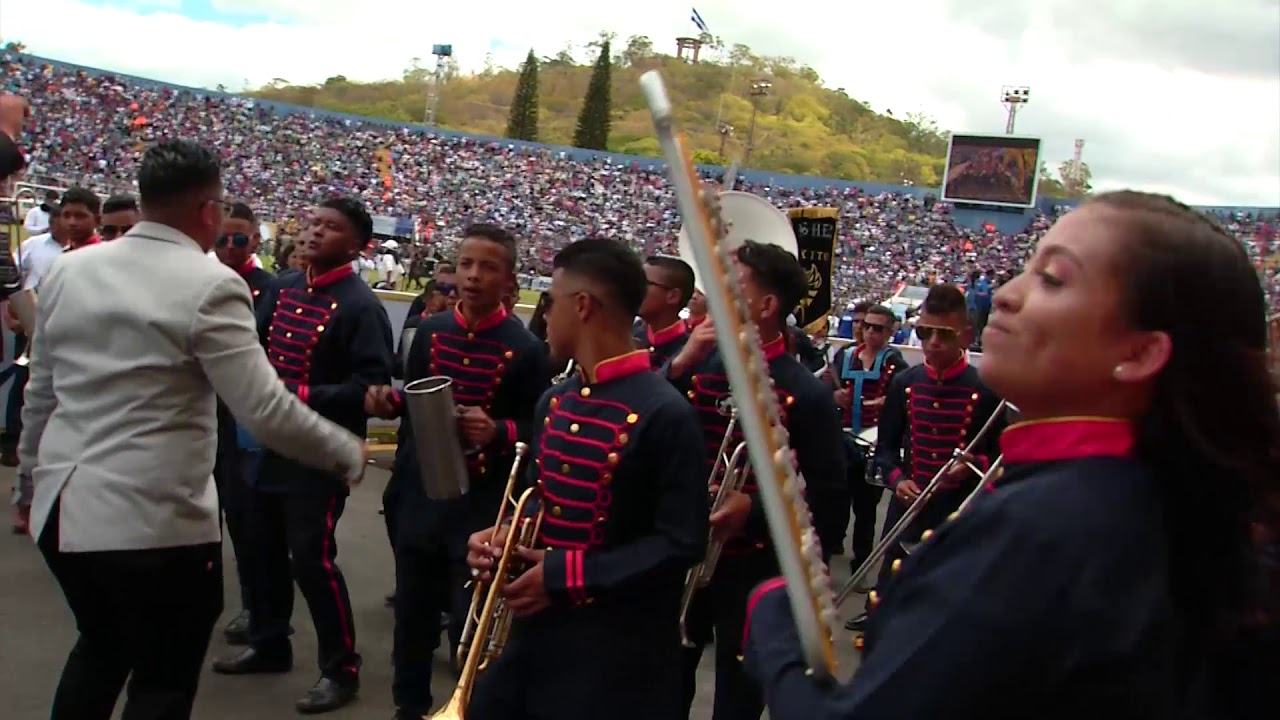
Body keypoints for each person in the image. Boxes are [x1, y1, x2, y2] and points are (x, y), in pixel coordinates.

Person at [741, 191, 1280, 719]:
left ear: (1140, 353)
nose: (1003, 294)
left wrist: (772, 616)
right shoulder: (1163, 496)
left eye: (1053, 279)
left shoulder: (1048, 526)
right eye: (1024, 269)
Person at [16, 139, 368, 720]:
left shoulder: (71, 269)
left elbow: (41, 395)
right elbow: (264, 409)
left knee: (100, 650)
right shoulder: (211, 284)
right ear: (209, 211)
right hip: (152, 525)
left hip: (63, 508)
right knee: (161, 681)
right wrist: (345, 451)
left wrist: (29, 483)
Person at [464, 237, 708, 720]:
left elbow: (684, 542)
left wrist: (566, 574)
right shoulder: (556, 400)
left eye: (550, 302)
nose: (544, 315)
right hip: (536, 632)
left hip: (615, 654)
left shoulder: (665, 411)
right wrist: (506, 536)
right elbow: (539, 501)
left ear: (582, 306)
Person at [212, 197, 393, 714]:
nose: (314, 233)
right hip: (263, 444)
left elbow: (370, 387)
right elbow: (254, 351)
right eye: (312, 223)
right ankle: (271, 642)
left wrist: (297, 394)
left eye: (331, 228)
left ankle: (342, 669)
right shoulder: (284, 288)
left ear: (358, 246)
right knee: (262, 548)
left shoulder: (361, 306)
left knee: (311, 560)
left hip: (317, 452)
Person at [363, 223, 549, 719]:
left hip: (480, 502)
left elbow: (538, 423)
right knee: (411, 615)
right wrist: (393, 404)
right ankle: (409, 705)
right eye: (466, 264)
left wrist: (500, 429)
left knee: (472, 619)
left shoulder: (525, 349)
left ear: (510, 281)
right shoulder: (430, 331)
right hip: (422, 494)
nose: (473, 276)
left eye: (488, 267)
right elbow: (415, 411)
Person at [664, 239, 847, 720]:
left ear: (767, 306)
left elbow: (828, 499)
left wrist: (755, 509)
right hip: (681, 548)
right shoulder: (698, 363)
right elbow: (644, 428)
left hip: (755, 566)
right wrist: (680, 361)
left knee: (737, 700)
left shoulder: (804, 391)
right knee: (661, 687)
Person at [845, 284, 1004, 632]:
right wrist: (898, 480)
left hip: (960, 512)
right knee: (888, 601)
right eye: (924, 332)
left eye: (943, 334)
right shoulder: (906, 382)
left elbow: (999, 456)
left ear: (965, 335)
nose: (932, 342)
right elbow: (885, 450)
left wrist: (972, 464)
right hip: (908, 509)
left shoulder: (987, 389)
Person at [211, 202, 277, 646]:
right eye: (222, 238)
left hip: (242, 422)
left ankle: (256, 608)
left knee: (246, 524)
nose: (230, 247)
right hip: (200, 415)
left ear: (255, 239)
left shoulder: (269, 287)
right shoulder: (203, 280)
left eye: (240, 239)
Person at [831, 304, 908, 575]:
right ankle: (829, 552)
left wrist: (886, 401)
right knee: (835, 499)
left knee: (865, 507)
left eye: (878, 328)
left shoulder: (894, 362)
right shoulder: (845, 355)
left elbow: (903, 397)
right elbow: (828, 387)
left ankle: (861, 564)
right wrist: (834, 396)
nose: (870, 332)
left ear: (889, 331)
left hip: (873, 443)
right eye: (867, 326)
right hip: (842, 438)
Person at [635, 255, 695, 368]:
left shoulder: (693, 351)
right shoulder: (632, 334)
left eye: (644, 283)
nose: (634, 289)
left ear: (673, 296)